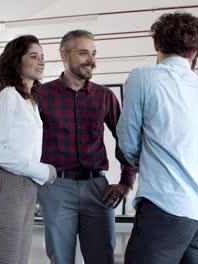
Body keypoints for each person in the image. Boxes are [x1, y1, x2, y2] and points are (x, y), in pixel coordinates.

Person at [117, 11, 198, 264]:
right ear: (195, 52)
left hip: (165, 208)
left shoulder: (143, 78)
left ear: (156, 44)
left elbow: (127, 138)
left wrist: (140, 162)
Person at [38, 29, 136, 264]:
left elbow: (127, 140)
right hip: (56, 187)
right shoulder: (42, 95)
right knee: (61, 259)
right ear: (64, 55)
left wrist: (126, 182)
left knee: (102, 258)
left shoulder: (104, 96)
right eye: (83, 53)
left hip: (97, 189)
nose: (91, 60)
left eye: (93, 53)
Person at [0, 35, 57, 264]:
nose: (41, 62)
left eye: (42, 57)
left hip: (24, 188)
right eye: (33, 56)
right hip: (5, 187)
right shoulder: (7, 95)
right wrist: (42, 170)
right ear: (16, 61)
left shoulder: (29, 102)